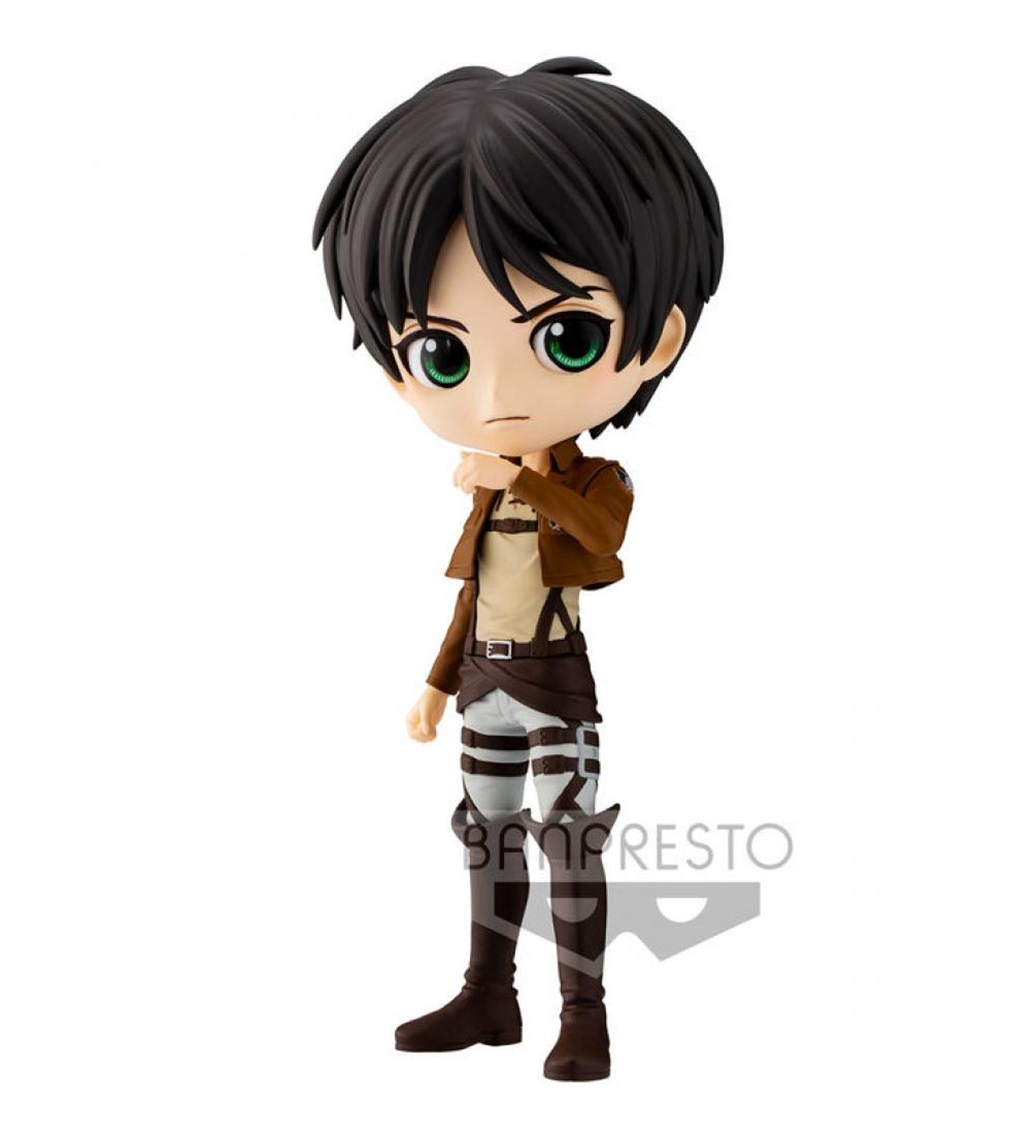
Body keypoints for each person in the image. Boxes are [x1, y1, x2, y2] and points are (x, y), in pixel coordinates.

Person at [312, 56, 722, 1081]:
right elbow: (471, 595)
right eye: (443, 356)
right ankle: (488, 994)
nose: (496, 398)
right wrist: (435, 681)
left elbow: (602, 547)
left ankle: (586, 1015)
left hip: (553, 680)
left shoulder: (591, 480)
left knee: (568, 836)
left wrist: (523, 478)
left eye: (566, 337)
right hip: (484, 680)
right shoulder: (486, 495)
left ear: (658, 338)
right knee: (485, 833)